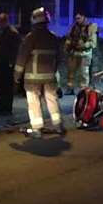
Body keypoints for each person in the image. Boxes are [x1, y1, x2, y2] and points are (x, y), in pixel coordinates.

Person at [14, 7, 65, 139]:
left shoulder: (30, 38)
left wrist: (17, 75)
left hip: (32, 78)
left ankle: (37, 128)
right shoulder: (53, 38)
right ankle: (58, 125)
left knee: (33, 101)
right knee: (52, 99)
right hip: (50, 77)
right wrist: (54, 71)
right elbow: (59, 57)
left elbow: (22, 57)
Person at [0, 13, 21, 115]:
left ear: (5, 21)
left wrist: (11, 62)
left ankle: (7, 107)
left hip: (7, 63)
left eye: (0, 22)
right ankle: (1, 105)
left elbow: (16, 49)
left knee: (7, 86)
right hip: (0, 61)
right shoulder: (2, 31)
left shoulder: (12, 33)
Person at [64, 12, 98, 95]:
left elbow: (93, 42)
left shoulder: (91, 27)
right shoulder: (74, 27)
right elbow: (69, 38)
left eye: (79, 18)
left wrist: (83, 45)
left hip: (85, 53)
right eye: (76, 18)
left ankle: (83, 89)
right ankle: (70, 88)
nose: (77, 20)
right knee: (70, 72)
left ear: (83, 17)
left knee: (83, 73)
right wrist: (67, 46)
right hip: (74, 52)